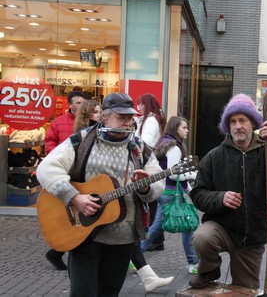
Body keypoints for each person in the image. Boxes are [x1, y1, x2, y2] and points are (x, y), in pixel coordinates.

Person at [36, 93, 168, 296]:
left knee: (110, 292)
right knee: (82, 293)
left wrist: (145, 188)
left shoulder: (139, 148)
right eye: (121, 117)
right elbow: (46, 169)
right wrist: (74, 197)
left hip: (123, 239)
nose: (126, 123)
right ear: (105, 116)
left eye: (129, 117)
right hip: (84, 234)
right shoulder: (81, 141)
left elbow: (157, 179)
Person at [188, 94, 267, 290]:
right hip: (222, 227)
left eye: (242, 120)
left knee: (246, 289)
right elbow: (198, 193)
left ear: (253, 123)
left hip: (252, 236)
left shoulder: (266, 153)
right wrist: (220, 198)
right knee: (202, 237)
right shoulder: (214, 156)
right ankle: (209, 270)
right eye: (232, 121)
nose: (237, 126)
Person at [140, 116, 199, 274]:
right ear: (175, 129)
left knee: (156, 227)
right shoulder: (175, 147)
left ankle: (134, 257)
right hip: (172, 192)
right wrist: (192, 176)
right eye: (184, 128)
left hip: (164, 191)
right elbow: (174, 174)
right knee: (188, 226)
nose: (187, 131)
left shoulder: (164, 143)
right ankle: (193, 263)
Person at [43, 90, 85, 271]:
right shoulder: (59, 122)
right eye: (77, 102)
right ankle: (57, 250)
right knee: (69, 215)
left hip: (79, 175)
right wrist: (55, 156)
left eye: (83, 102)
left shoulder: (87, 123)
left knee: (77, 215)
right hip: (63, 175)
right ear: (69, 105)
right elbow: (49, 141)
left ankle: (57, 251)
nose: (81, 105)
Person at [135, 93, 167, 252]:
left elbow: (143, 144)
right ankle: (156, 240)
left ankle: (154, 240)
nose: (138, 107)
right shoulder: (155, 119)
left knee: (153, 202)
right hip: (152, 162)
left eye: (140, 104)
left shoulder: (150, 121)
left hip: (147, 163)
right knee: (154, 202)